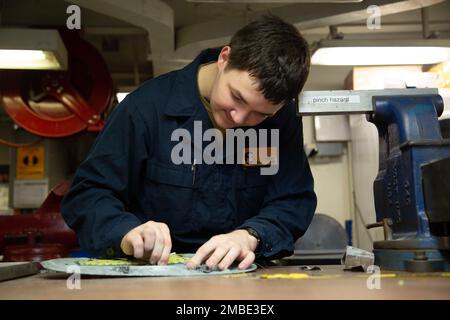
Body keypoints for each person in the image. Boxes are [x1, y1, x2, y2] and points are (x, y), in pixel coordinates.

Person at [61, 14, 317, 271]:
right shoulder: (147, 107)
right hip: (154, 277)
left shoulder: (283, 118)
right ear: (224, 58)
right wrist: (126, 232)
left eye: (260, 114)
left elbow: (293, 199)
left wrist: (251, 236)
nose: (240, 118)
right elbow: (89, 194)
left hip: (245, 275)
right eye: (237, 97)